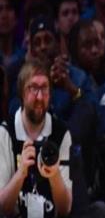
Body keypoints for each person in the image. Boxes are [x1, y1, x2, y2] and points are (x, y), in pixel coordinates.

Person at [0, 60, 73, 217]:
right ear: (21, 93)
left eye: (44, 88)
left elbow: (65, 209)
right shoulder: (5, 132)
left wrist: (54, 175)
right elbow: (3, 208)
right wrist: (21, 173)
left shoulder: (61, 133)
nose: (40, 97)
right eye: (33, 88)